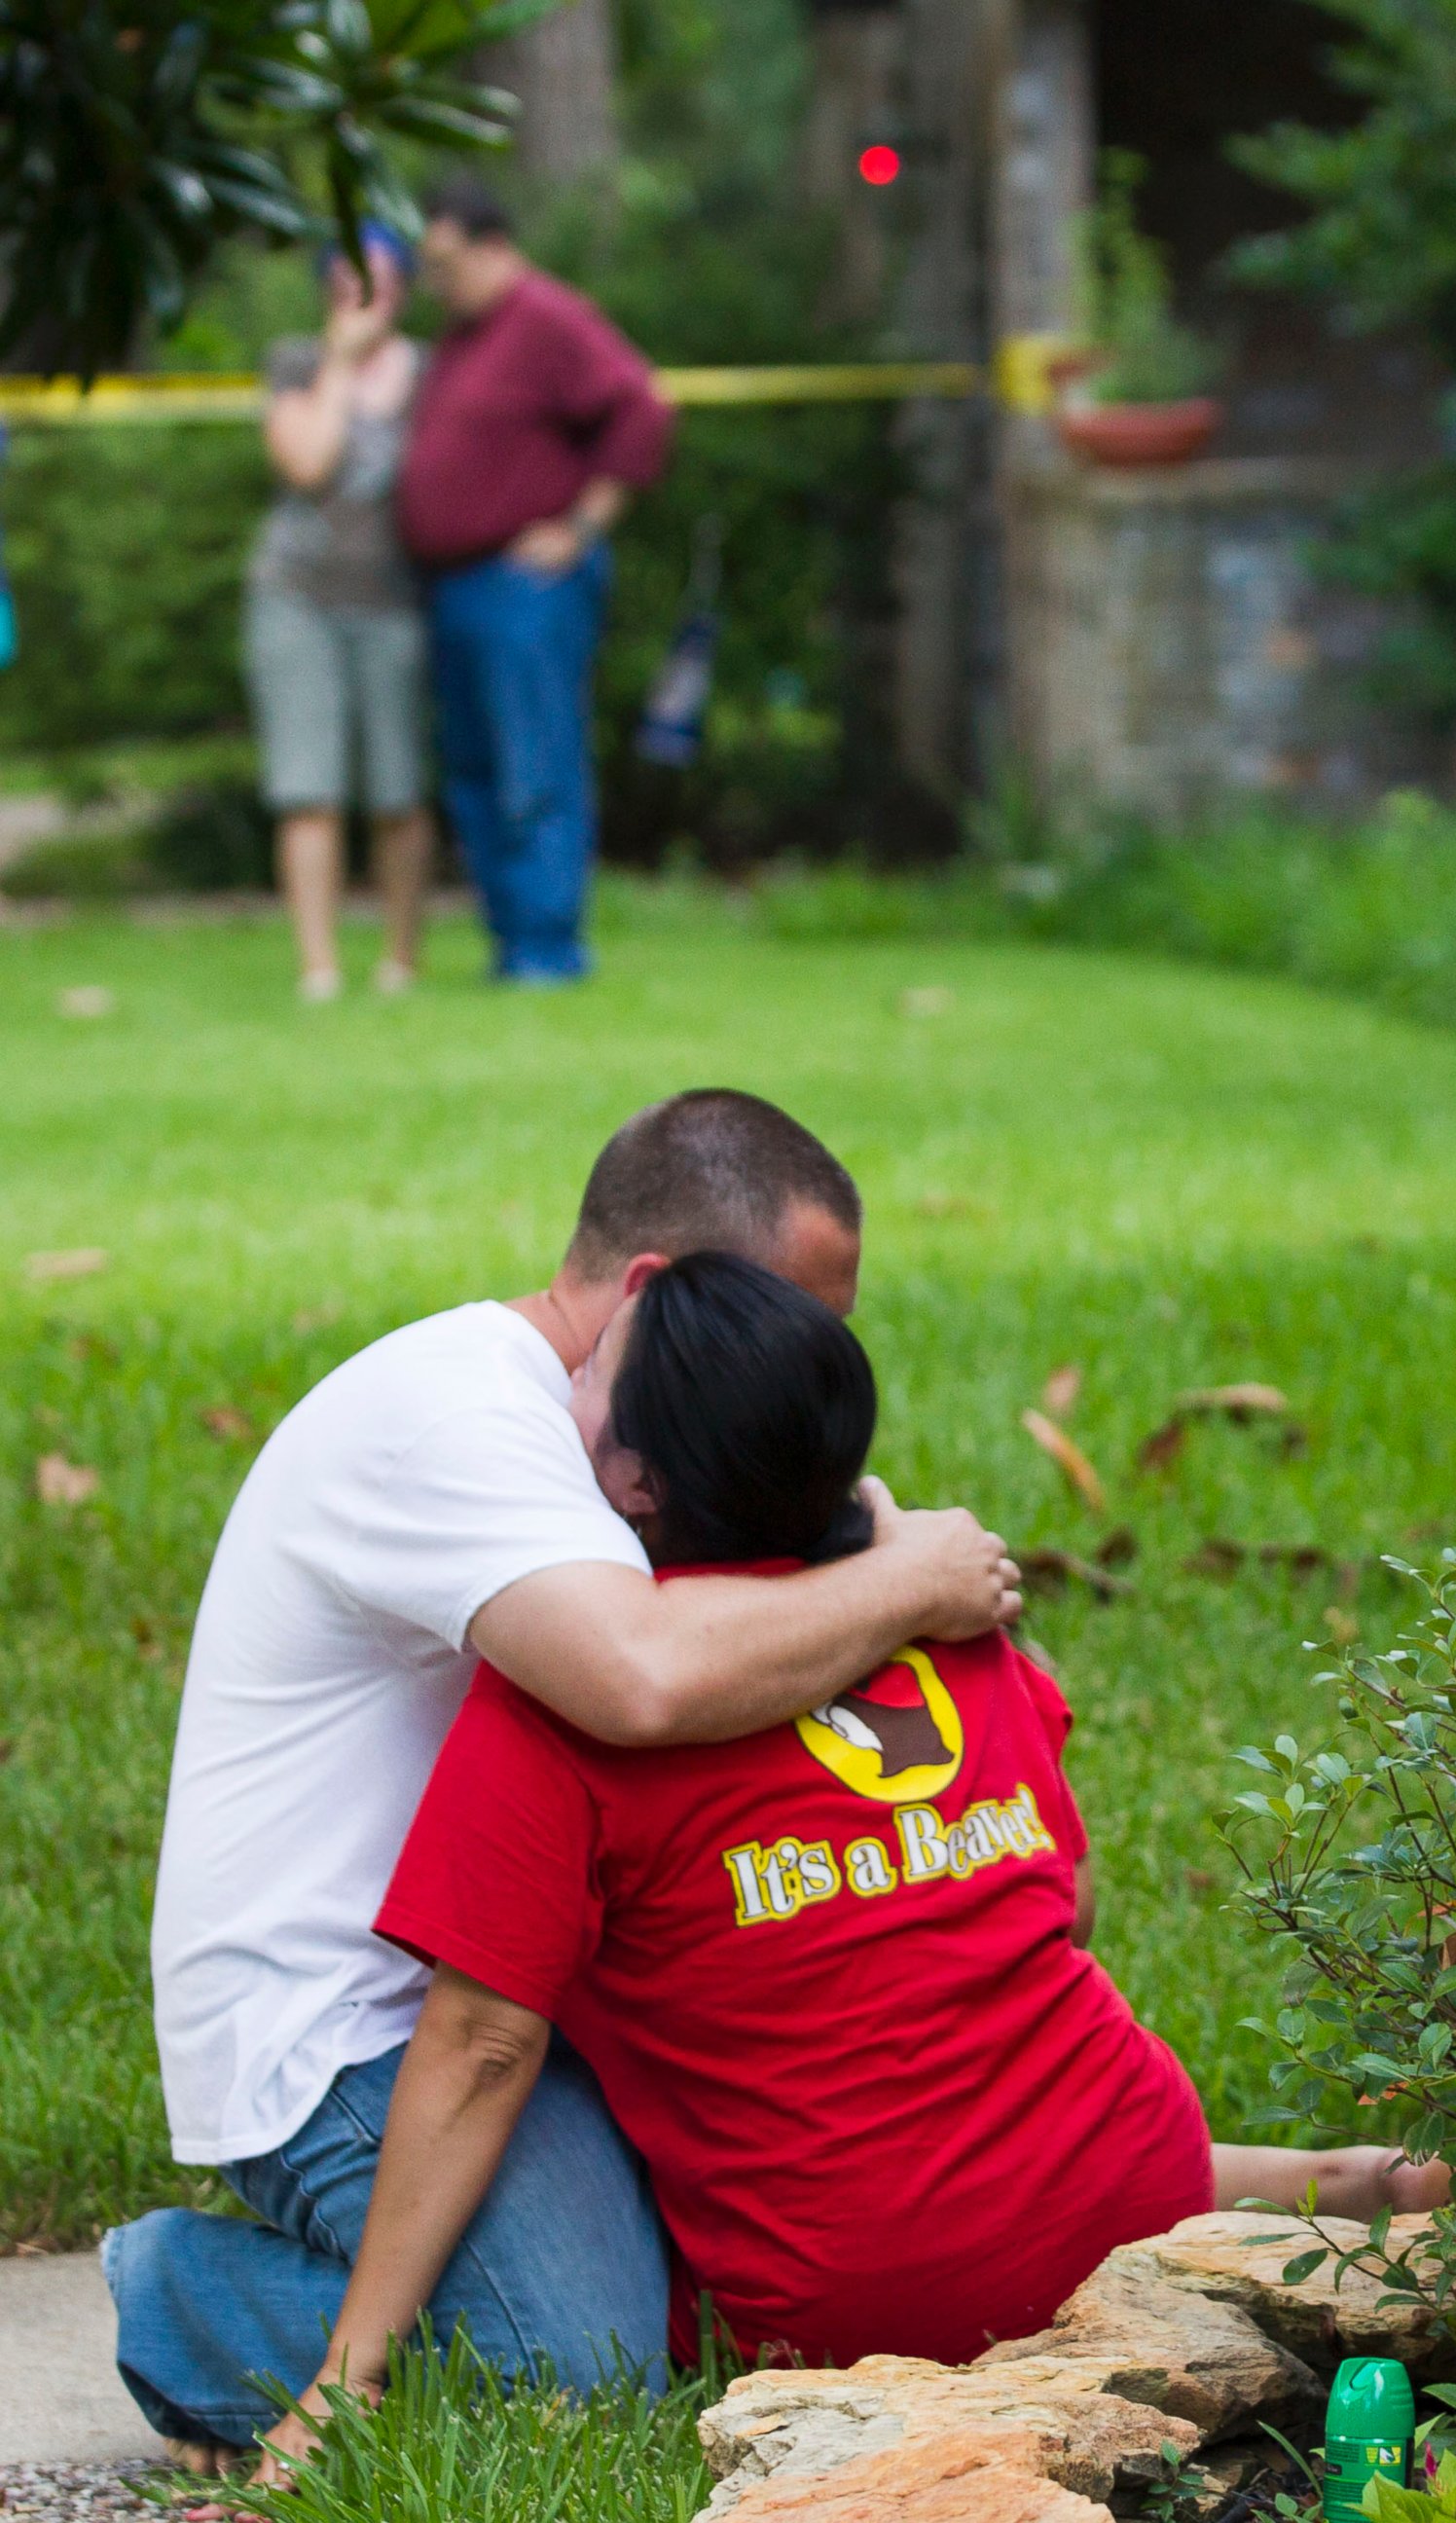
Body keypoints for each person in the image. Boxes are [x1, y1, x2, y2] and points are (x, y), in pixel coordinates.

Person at [231, 1253, 1447, 2479]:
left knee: (562, 2351)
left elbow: (486, 2043)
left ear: (636, 1479)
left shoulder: (564, 1710)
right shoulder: (956, 1634)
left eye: (591, 1371)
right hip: (1128, 2162)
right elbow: (1063, 1904)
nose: (563, 1380)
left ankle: (175, 2289)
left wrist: (350, 2376)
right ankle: (1303, 2182)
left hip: (861, 2308)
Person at [108, 1091, 1022, 2461]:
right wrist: (909, 1575)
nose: (798, 1368)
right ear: (657, 1291)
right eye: (788, 1319)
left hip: (529, 1987)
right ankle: (178, 2294)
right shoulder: (463, 1419)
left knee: (753, 2289)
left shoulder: (640, 1424)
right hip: (345, 2026)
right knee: (586, 2381)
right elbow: (642, 1677)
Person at [396, 175, 672, 985]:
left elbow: (641, 407)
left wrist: (582, 525)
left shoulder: (548, 318)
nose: (435, 281)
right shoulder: (461, 333)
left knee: (534, 763)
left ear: (495, 247)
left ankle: (548, 948)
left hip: (524, 587)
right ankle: (510, 943)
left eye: (446, 262)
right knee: (477, 773)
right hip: (454, 586)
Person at [246, 224, 434, 1004]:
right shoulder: (296, 361)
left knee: (398, 790)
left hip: (395, 600)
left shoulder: (433, 372)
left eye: (383, 278)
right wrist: (340, 362)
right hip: (295, 598)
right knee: (308, 787)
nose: (367, 295)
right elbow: (308, 462)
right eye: (351, 279)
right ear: (329, 287)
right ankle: (318, 969)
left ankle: (401, 962)